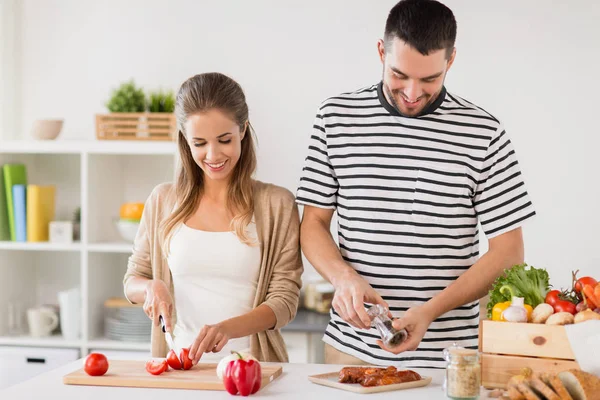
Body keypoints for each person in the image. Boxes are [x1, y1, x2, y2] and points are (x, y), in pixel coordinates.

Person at [296, 0, 536, 368]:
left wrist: (429, 311)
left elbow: (509, 252)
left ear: (451, 60)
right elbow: (312, 224)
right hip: (350, 353)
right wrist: (342, 277)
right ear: (381, 50)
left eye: (429, 79)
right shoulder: (335, 118)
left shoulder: (484, 133)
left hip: (451, 360)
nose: (411, 93)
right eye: (399, 74)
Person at [123, 72, 303, 364]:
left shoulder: (277, 205)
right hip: (179, 369)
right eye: (200, 143)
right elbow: (133, 280)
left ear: (243, 130)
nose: (213, 154)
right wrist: (152, 287)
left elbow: (285, 302)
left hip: (253, 370)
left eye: (224, 139)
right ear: (185, 140)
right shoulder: (162, 200)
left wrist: (226, 329)